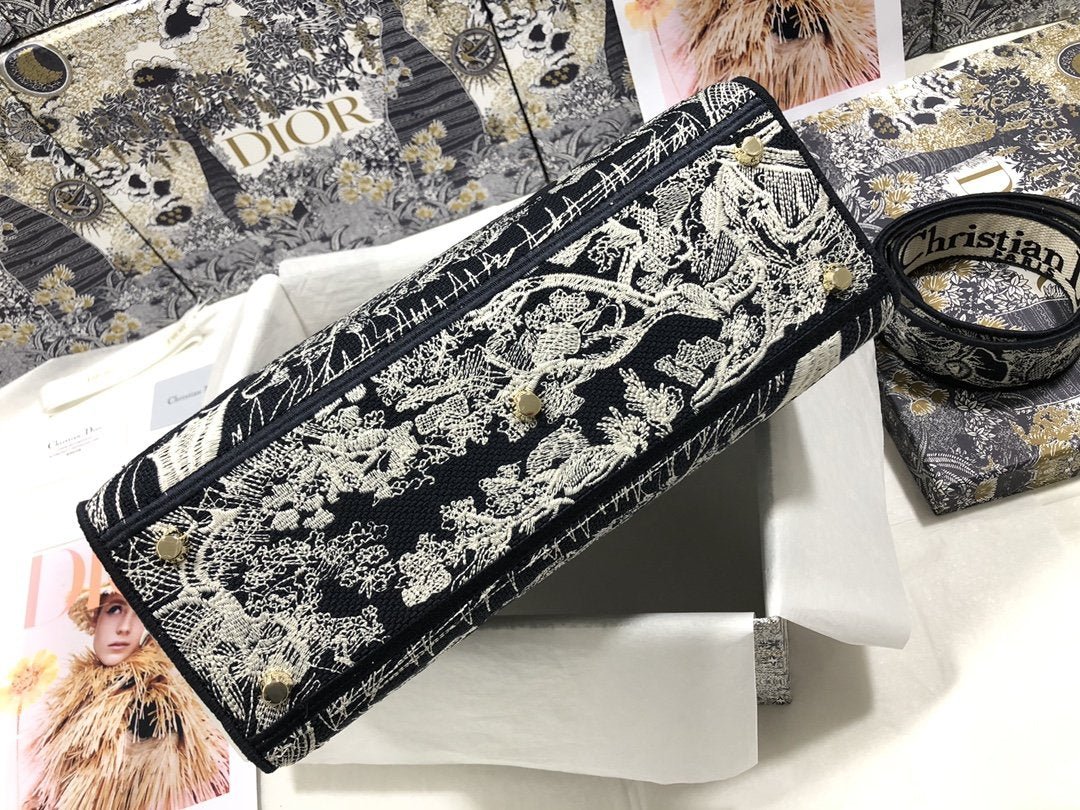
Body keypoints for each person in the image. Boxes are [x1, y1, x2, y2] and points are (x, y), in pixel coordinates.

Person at [22, 585, 230, 810]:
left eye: (139, 613)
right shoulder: (72, 700)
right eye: (114, 609)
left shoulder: (155, 707)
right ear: (97, 619)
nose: (124, 628)